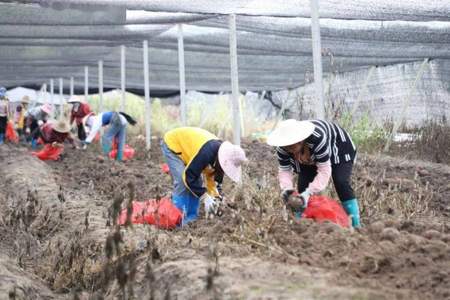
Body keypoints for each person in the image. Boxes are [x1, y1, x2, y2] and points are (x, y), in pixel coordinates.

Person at [266, 119, 361, 228]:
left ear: (300, 140)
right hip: (309, 155)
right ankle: (304, 225)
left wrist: (309, 192)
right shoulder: (283, 148)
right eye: (287, 147)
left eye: (292, 146)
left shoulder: (316, 137)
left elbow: (324, 170)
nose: (290, 150)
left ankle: (356, 224)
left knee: (341, 181)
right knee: (303, 186)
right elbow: (285, 169)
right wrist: (287, 189)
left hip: (338, 147)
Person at [161, 127, 247, 224]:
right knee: (182, 181)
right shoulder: (207, 153)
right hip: (173, 144)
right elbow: (189, 176)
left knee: (197, 182)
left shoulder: (218, 158)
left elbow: (213, 181)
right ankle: (175, 218)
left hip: (190, 150)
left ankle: (191, 217)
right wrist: (204, 196)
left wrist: (216, 197)